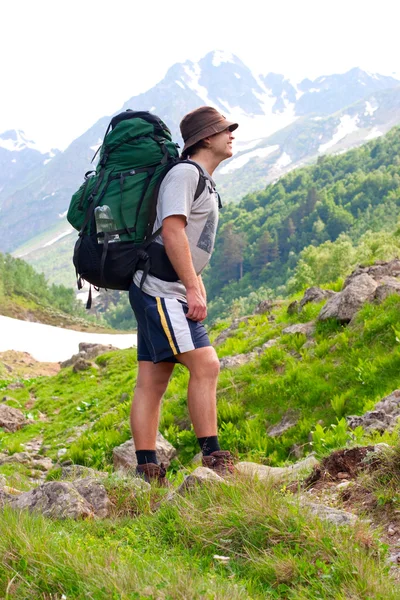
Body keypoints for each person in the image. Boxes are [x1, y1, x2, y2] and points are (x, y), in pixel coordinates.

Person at [129, 106, 238, 483]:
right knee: (206, 365)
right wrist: (191, 286)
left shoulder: (201, 179)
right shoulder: (184, 174)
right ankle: (214, 458)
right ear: (205, 139)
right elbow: (173, 231)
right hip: (160, 289)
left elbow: (189, 241)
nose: (231, 135)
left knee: (153, 379)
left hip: (166, 287)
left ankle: (147, 469)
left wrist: (196, 281)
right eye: (224, 130)